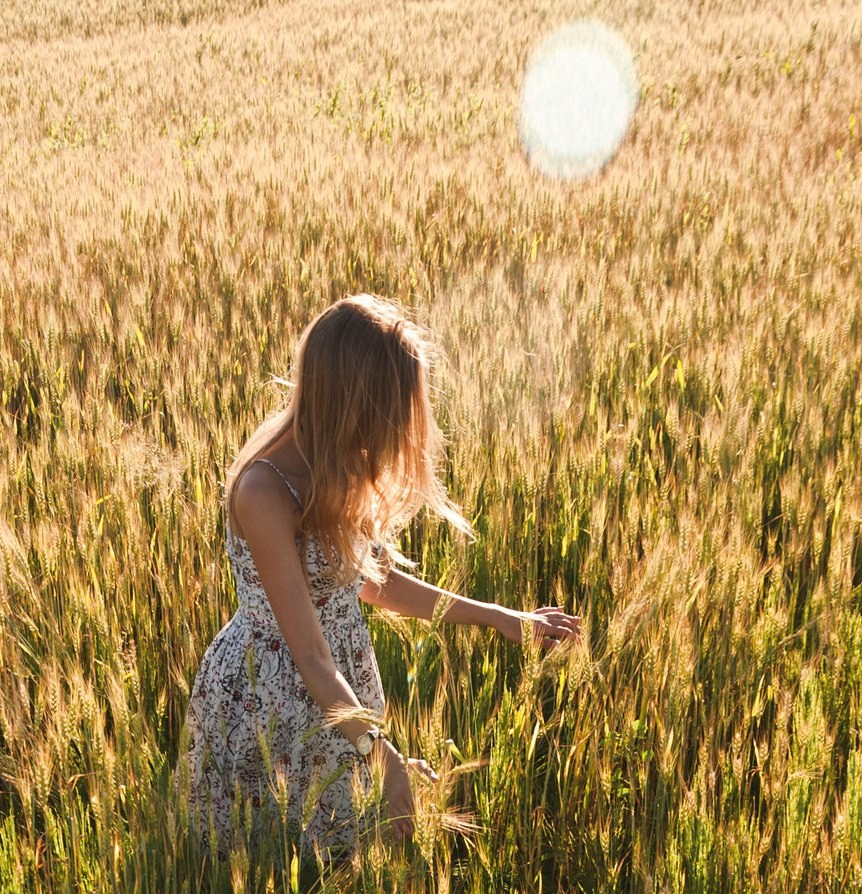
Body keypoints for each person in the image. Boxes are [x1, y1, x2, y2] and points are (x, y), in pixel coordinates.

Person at [183, 294, 582, 855]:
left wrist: (505, 620)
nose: (401, 432)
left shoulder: (340, 463)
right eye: (394, 411)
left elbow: (372, 581)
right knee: (272, 872)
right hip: (270, 699)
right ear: (356, 404)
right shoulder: (264, 492)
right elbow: (311, 658)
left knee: (347, 859)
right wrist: (385, 758)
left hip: (343, 696)